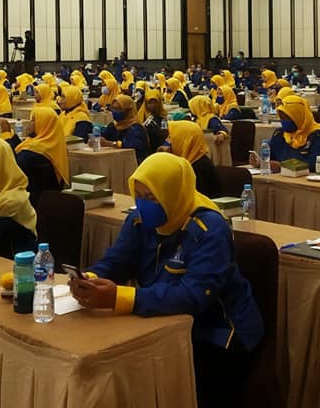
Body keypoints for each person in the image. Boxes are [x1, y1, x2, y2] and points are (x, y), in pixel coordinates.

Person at [71, 153, 263, 408]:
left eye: (152, 197)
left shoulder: (209, 228)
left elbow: (193, 296)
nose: (144, 204)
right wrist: (91, 279)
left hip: (218, 332)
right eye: (139, 195)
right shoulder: (138, 220)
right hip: (162, 323)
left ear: (172, 193)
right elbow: (117, 260)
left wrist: (120, 296)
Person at [251, 95, 320, 171]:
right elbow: (269, 158)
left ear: (298, 116)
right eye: (281, 117)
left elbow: (314, 165)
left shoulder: (319, 135)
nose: (283, 121)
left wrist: (282, 166)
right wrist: (259, 162)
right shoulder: (279, 134)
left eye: (287, 118)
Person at [14, 106, 68, 205]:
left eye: (33, 120)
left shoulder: (31, 153)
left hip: (30, 205)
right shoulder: (56, 145)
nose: (29, 123)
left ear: (44, 124)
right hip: (49, 204)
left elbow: (13, 174)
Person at [164, 121, 222, 198]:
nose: (167, 140)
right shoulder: (187, 161)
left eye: (170, 137)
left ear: (185, 140)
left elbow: (196, 198)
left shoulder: (200, 167)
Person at [100, 95, 151, 163]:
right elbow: (103, 136)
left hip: (134, 163)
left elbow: (132, 146)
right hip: (115, 160)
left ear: (128, 111)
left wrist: (111, 143)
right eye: (113, 108)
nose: (114, 112)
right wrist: (96, 139)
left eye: (118, 109)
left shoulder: (136, 128)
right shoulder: (114, 125)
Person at [142, 88, 167, 153]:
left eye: (155, 102)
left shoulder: (164, 119)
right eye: (150, 103)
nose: (153, 105)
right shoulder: (144, 117)